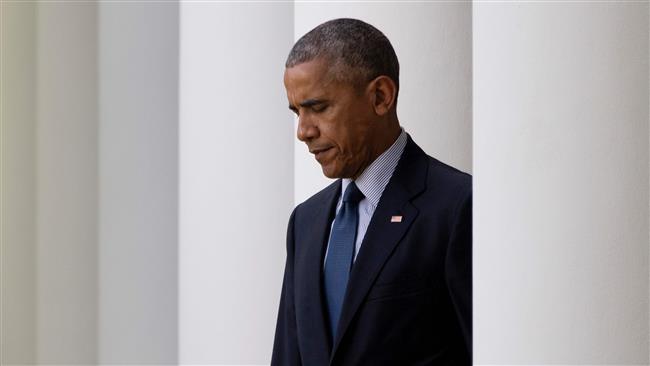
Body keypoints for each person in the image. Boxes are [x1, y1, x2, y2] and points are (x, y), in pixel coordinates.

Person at [272, 18, 472, 366]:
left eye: (318, 108)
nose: (303, 131)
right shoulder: (304, 222)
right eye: (297, 112)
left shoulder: (457, 206)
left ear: (380, 96)